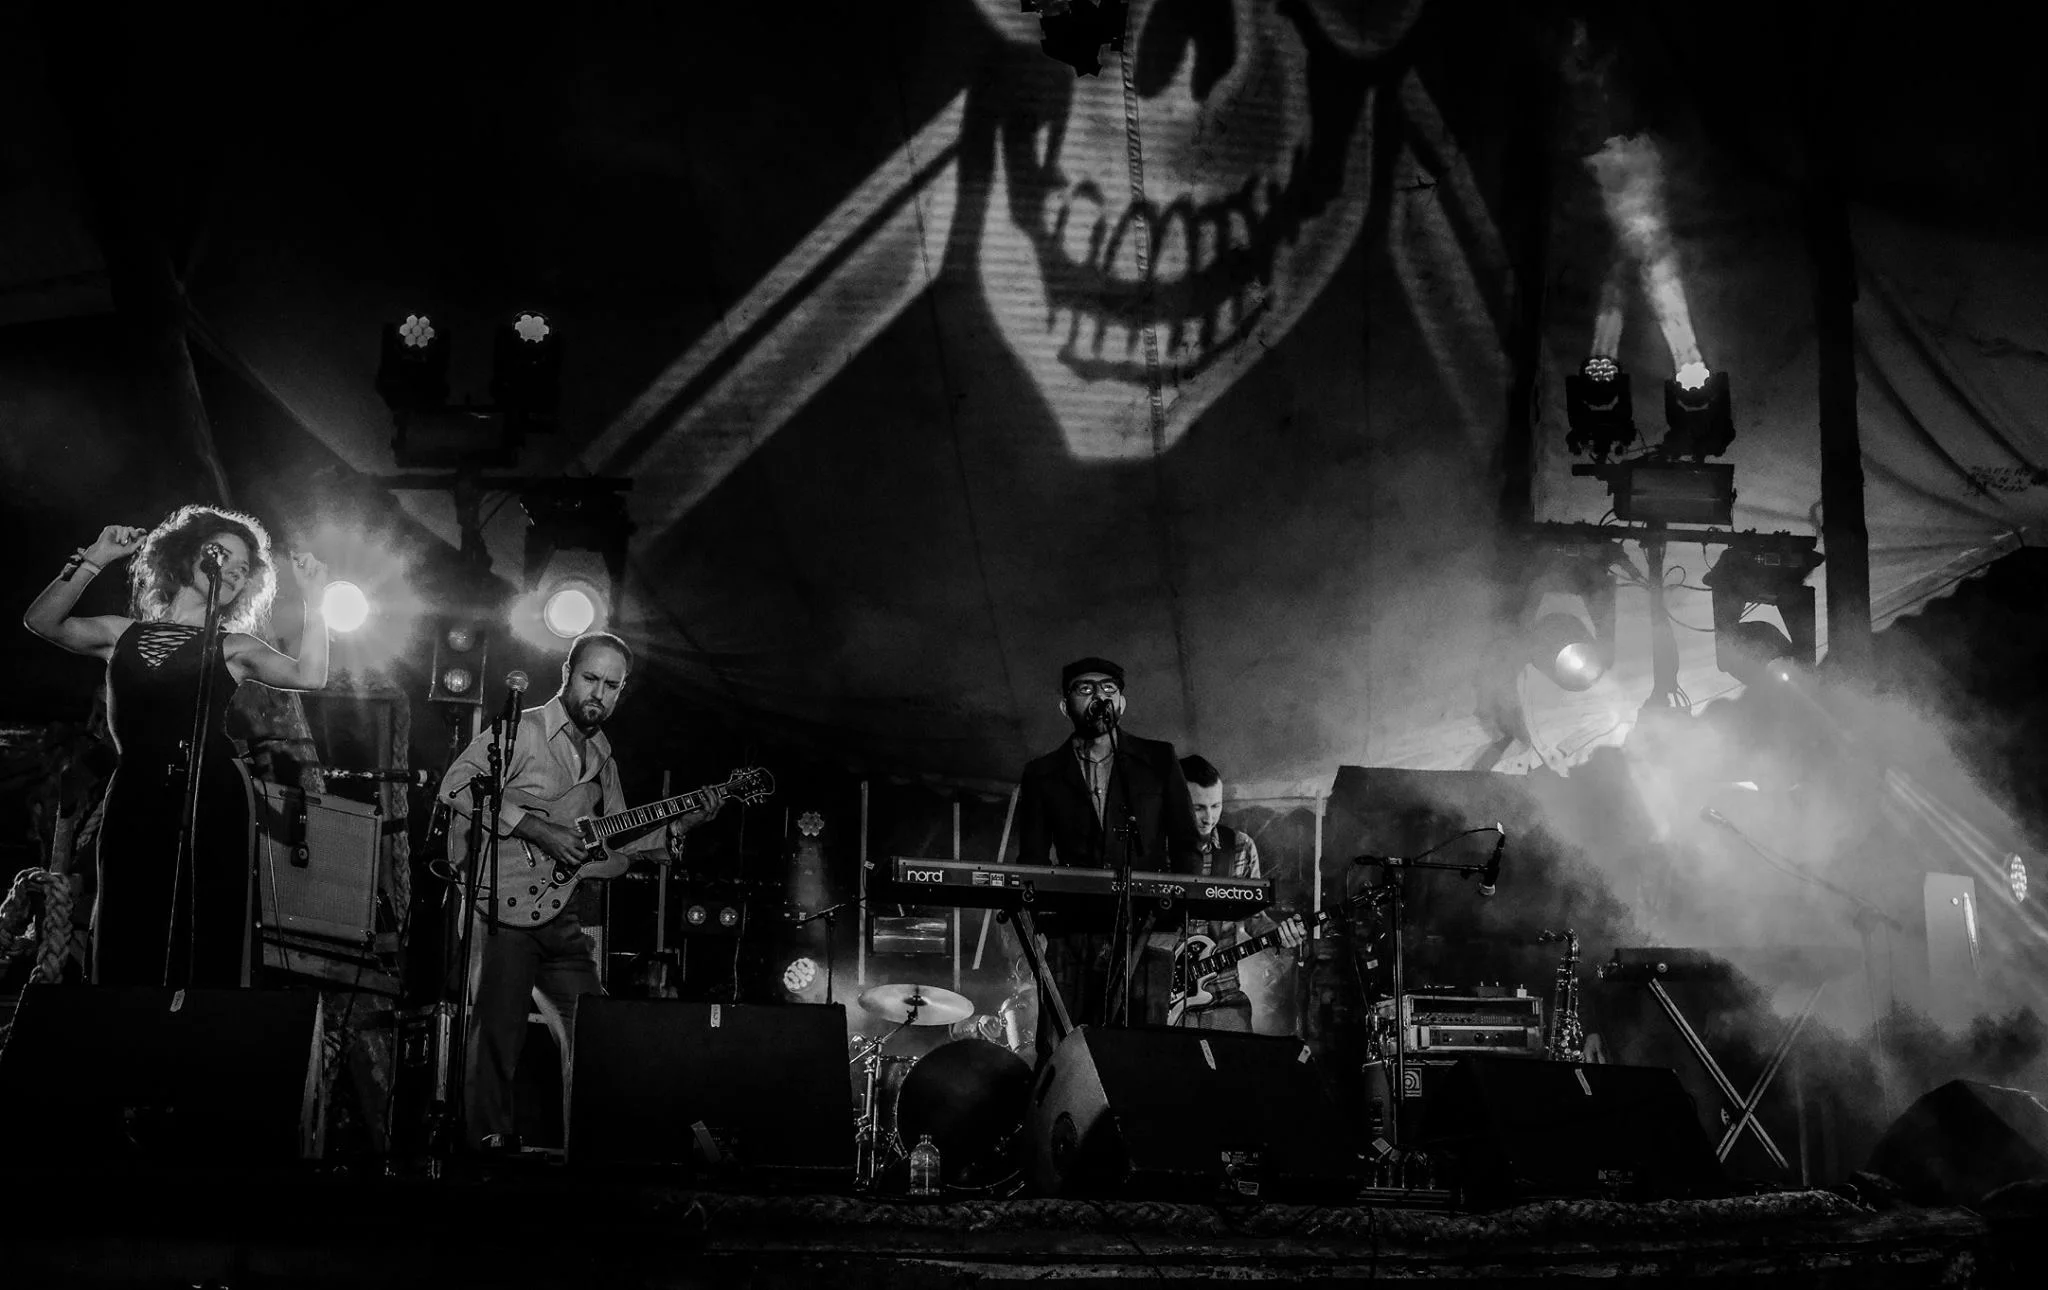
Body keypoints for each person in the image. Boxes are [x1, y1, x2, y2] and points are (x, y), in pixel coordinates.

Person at [23, 507, 329, 987]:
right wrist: (95, 559)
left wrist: (315, 598)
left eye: (243, 568)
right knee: (126, 913)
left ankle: (198, 1023)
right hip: (134, 790)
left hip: (214, 793)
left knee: (205, 921)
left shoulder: (234, 646)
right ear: (187, 554)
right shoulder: (119, 633)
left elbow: (310, 675)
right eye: (221, 554)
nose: (233, 571)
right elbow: (42, 620)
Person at [437, 631, 708, 1152]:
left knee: (596, 1032)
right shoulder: (523, 730)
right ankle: (484, 1152)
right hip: (504, 905)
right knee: (497, 1033)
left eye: (611, 685)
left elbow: (618, 841)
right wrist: (539, 831)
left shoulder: (604, 756)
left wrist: (679, 825)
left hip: (561, 916)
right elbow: (457, 786)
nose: (598, 693)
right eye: (590, 678)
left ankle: (589, 1152)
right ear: (567, 673)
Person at [1015, 656, 1200, 1038]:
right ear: (1065, 706)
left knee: (1142, 1049)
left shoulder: (1157, 759)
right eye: (1086, 689)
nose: (1099, 697)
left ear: (1122, 703)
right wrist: (1041, 924)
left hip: (1148, 928)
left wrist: (1174, 923)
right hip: (1073, 933)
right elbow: (1031, 858)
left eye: (1109, 689)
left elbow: (1186, 843)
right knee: (1064, 1044)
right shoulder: (1042, 773)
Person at [1174, 755, 1305, 1033]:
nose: (1209, 817)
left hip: (1223, 997)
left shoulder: (1239, 848)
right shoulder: (1154, 848)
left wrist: (1282, 935)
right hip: (1162, 999)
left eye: (1216, 806)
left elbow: (1255, 919)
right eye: (1198, 807)